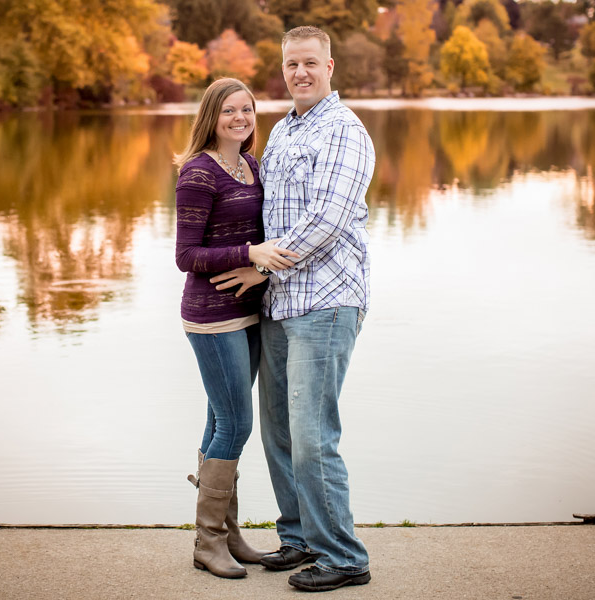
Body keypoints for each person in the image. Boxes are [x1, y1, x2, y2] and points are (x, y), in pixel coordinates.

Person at [215, 26, 376, 592]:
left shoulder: (344, 131)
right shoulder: (282, 131)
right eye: (291, 65)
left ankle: (344, 555)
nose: (300, 73)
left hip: (327, 301)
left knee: (312, 435)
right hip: (280, 303)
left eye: (310, 63)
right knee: (279, 431)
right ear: (282, 70)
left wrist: (260, 265)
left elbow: (329, 220)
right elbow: (261, 211)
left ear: (330, 66)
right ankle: (301, 538)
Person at [174, 78, 299, 579]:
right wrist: (249, 253)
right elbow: (186, 256)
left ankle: (224, 537)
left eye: (247, 110)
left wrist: (261, 269)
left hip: (249, 311)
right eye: (229, 111)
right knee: (236, 423)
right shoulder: (198, 173)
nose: (241, 118)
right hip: (212, 316)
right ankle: (208, 543)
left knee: (218, 421)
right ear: (212, 115)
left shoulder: (249, 164)